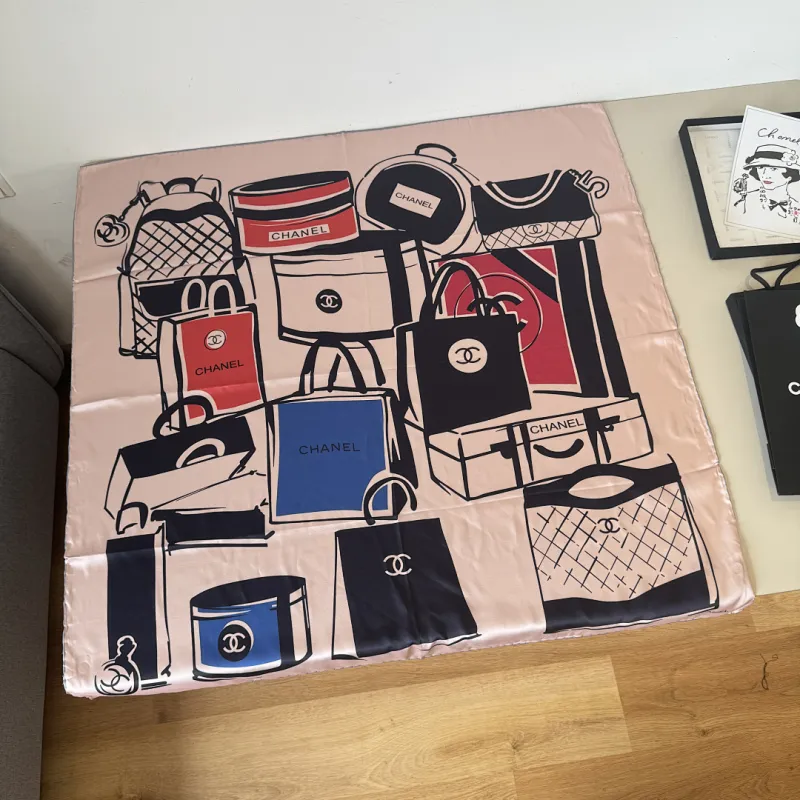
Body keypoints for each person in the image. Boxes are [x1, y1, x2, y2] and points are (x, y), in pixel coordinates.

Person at [733, 144, 800, 223]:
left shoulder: (796, 205)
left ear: (789, 175)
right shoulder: (746, 200)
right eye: (760, 168)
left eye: (773, 168)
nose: (764, 174)